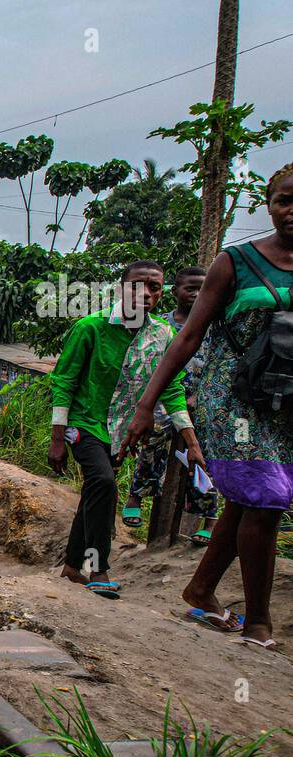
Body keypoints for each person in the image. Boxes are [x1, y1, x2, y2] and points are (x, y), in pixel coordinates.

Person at [122, 164, 293, 641]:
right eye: (285, 200)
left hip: (289, 402)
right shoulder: (235, 262)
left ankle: (201, 589)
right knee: (266, 500)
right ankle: (258, 622)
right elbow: (189, 336)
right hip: (236, 400)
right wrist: (146, 404)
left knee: (248, 500)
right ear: (269, 203)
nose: (292, 211)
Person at [50, 260, 201, 598]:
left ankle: (73, 567)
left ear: (162, 292)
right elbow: (63, 382)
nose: (146, 293)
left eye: (155, 287)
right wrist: (57, 438)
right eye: (138, 285)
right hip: (84, 423)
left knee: (95, 491)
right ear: (121, 288)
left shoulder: (163, 335)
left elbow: (173, 388)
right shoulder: (92, 327)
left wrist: (191, 441)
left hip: (123, 432)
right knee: (103, 483)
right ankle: (98, 567)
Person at [121, 266, 218, 543]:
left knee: (206, 451)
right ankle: (137, 493)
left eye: (203, 289)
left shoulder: (213, 325)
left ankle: (208, 516)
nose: (197, 294)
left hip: (201, 399)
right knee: (154, 431)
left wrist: (199, 396)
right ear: (174, 292)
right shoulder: (160, 324)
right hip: (164, 398)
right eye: (190, 289)